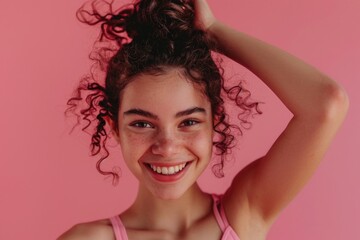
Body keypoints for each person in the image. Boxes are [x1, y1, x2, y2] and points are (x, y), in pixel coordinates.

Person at [59, 0, 349, 239]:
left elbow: (326, 104)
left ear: (215, 120)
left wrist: (212, 31)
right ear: (115, 127)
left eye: (188, 122)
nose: (167, 146)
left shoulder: (244, 214)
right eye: (143, 124)